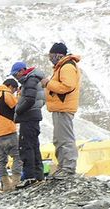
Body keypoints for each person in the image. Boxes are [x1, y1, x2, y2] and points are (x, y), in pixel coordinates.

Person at [40, 42, 81, 178]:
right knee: (59, 139)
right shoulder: (62, 66)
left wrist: (48, 83)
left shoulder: (67, 66)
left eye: (51, 55)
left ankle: (69, 168)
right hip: (59, 108)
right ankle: (63, 166)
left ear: (59, 54)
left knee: (65, 139)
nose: (50, 58)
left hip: (64, 107)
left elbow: (67, 86)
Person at [10, 61, 46, 188]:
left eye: (15, 74)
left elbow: (30, 99)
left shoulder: (30, 80)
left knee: (26, 147)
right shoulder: (34, 79)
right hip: (34, 117)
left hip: (28, 117)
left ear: (21, 71)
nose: (15, 77)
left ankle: (30, 177)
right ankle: (38, 175)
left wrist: (18, 111)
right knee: (34, 146)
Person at [0, 78, 23, 191]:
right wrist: (19, 96)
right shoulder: (6, 94)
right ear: (10, 86)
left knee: (2, 160)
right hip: (9, 131)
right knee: (17, 156)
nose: (14, 92)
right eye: (14, 89)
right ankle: (16, 182)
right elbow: (16, 107)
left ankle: (6, 185)